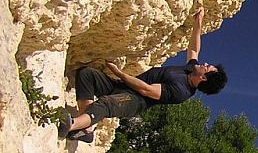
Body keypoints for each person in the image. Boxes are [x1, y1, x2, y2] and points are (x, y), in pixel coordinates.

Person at [59, 8, 226, 143]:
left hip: (135, 100)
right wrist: (199, 21)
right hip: (123, 87)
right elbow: (194, 49)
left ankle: (71, 125)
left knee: (105, 104)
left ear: (203, 78)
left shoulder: (181, 91)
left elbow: (146, 90)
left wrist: (119, 73)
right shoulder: (190, 69)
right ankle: (86, 128)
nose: (204, 64)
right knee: (87, 74)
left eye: (207, 68)